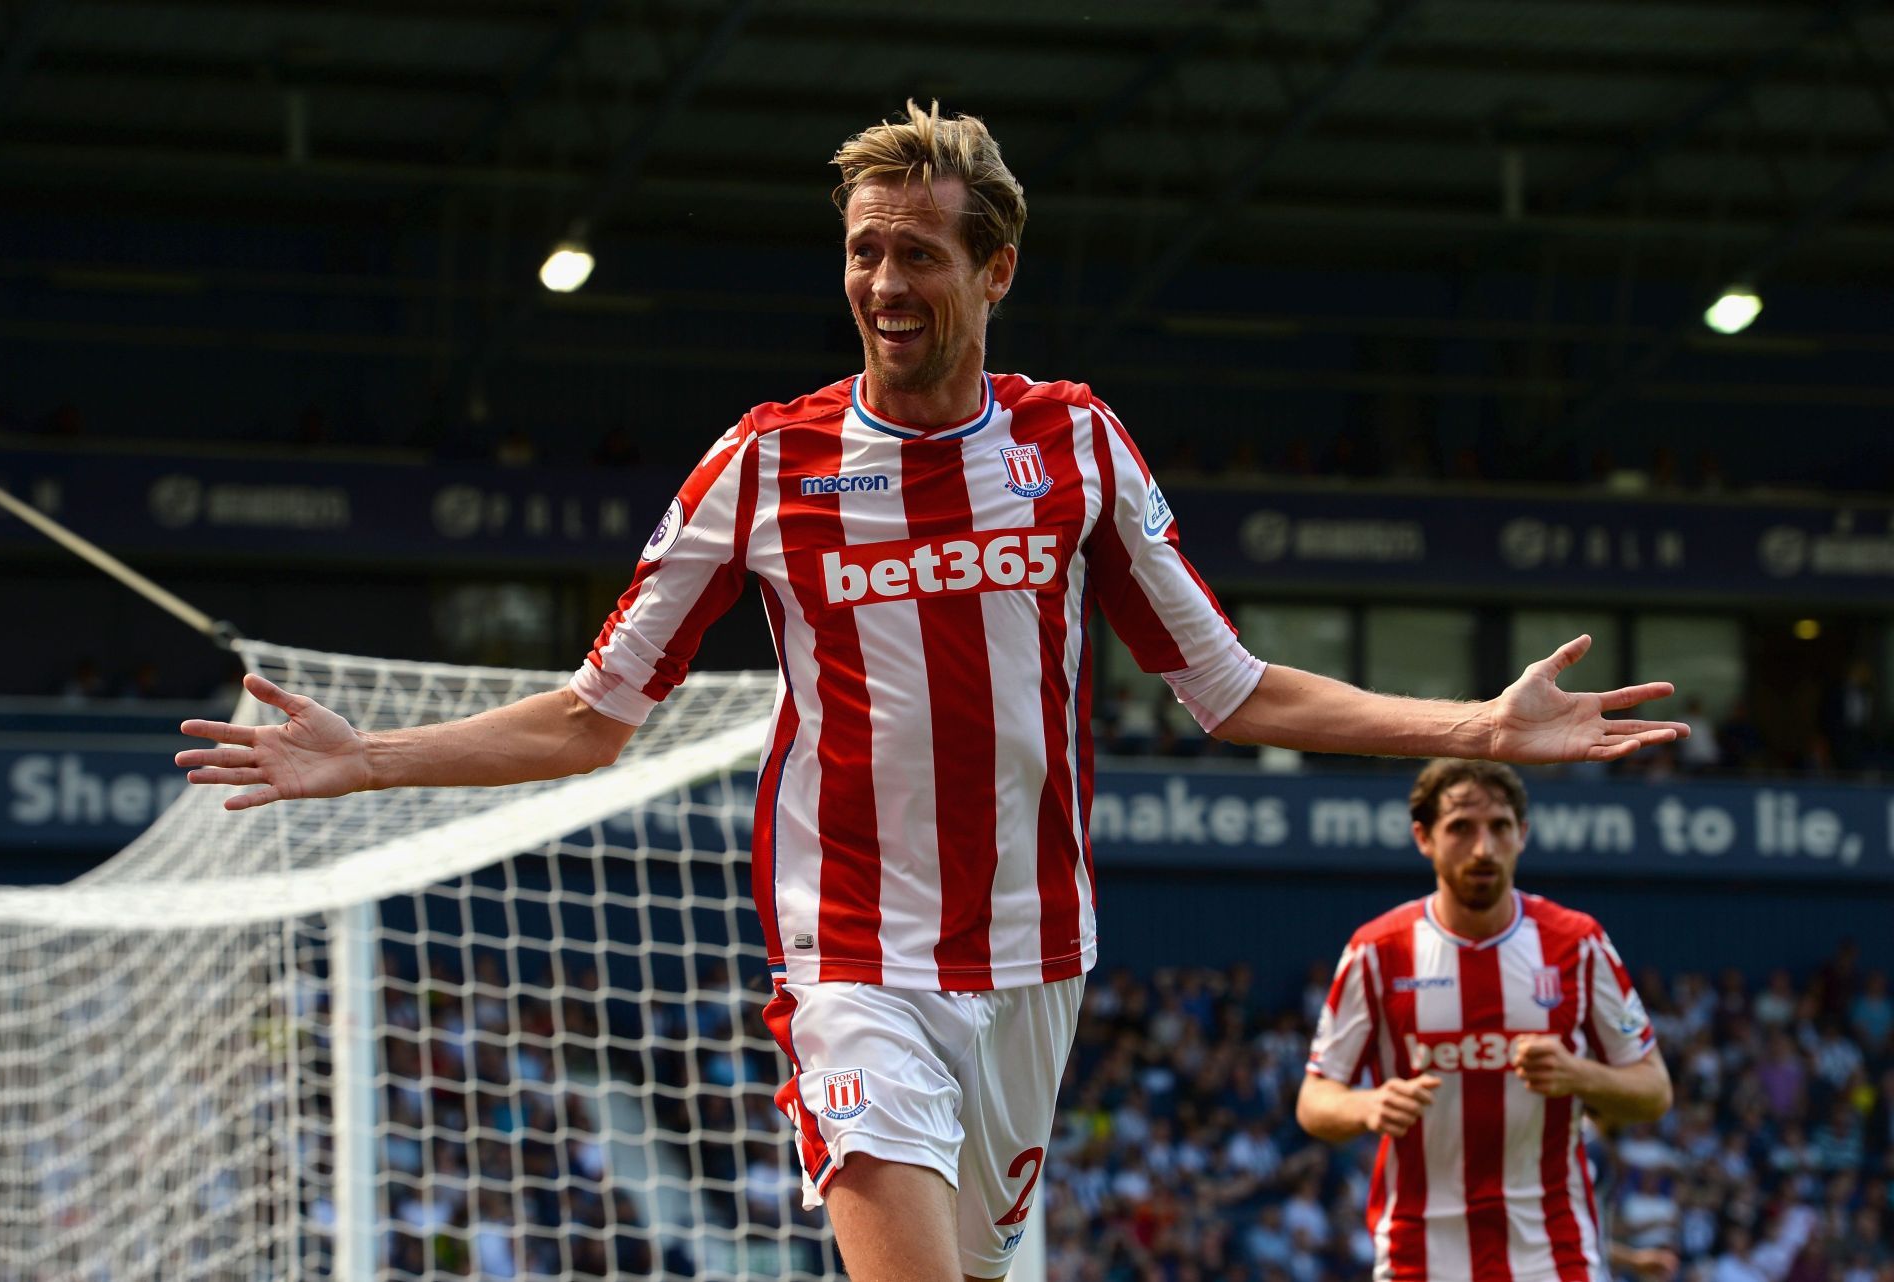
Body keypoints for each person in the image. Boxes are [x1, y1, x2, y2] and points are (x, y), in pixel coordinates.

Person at [174, 103, 1690, 1282]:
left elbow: (1229, 690)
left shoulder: (1077, 448)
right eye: (861, 250)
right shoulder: (766, 462)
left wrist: (1475, 728)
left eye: (918, 252)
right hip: (852, 956)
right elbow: (592, 713)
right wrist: (366, 759)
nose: (882, 284)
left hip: (1036, 955)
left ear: (995, 268)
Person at [1296, 759, 1674, 1281]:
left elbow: (1654, 1089)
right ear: (1423, 838)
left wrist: (1580, 1075)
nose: (1483, 848)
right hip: (1419, 1247)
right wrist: (1368, 1103)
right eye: (1461, 828)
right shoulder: (1378, 950)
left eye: (1499, 827)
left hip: (1552, 1245)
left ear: (1522, 835)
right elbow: (1315, 1100)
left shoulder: (1577, 943)